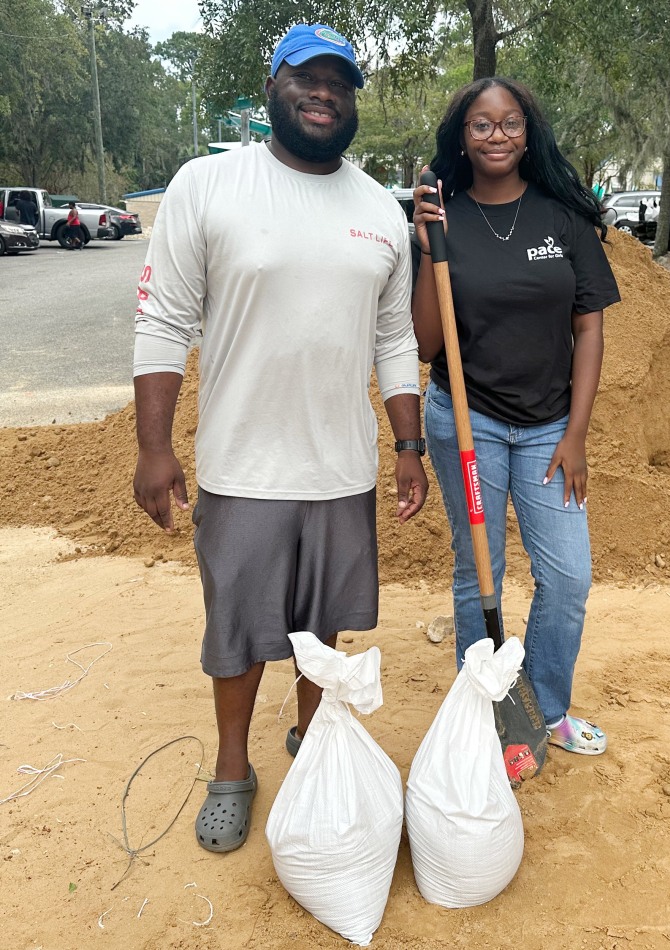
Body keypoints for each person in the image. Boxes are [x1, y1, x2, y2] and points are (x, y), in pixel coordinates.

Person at [132, 22, 427, 853]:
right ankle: (233, 765)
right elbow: (162, 319)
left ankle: (312, 742)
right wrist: (155, 448)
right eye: (308, 76)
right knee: (236, 630)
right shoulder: (210, 184)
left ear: (353, 97)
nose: (324, 92)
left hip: (342, 464)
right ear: (275, 87)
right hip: (242, 463)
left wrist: (408, 446)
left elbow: (394, 340)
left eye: (339, 80)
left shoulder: (377, 208)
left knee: (321, 625)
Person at [411, 77, 620, 758]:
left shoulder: (563, 218)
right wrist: (424, 249)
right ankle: (483, 713)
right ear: (462, 138)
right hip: (464, 423)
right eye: (480, 124)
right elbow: (425, 344)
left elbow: (588, 330)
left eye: (509, 123)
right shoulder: (446, 217)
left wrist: (577, 434)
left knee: (567, 576)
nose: (496, 135)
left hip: (548, 430)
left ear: (528, 132)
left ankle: (545, 707)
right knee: (479, 573)